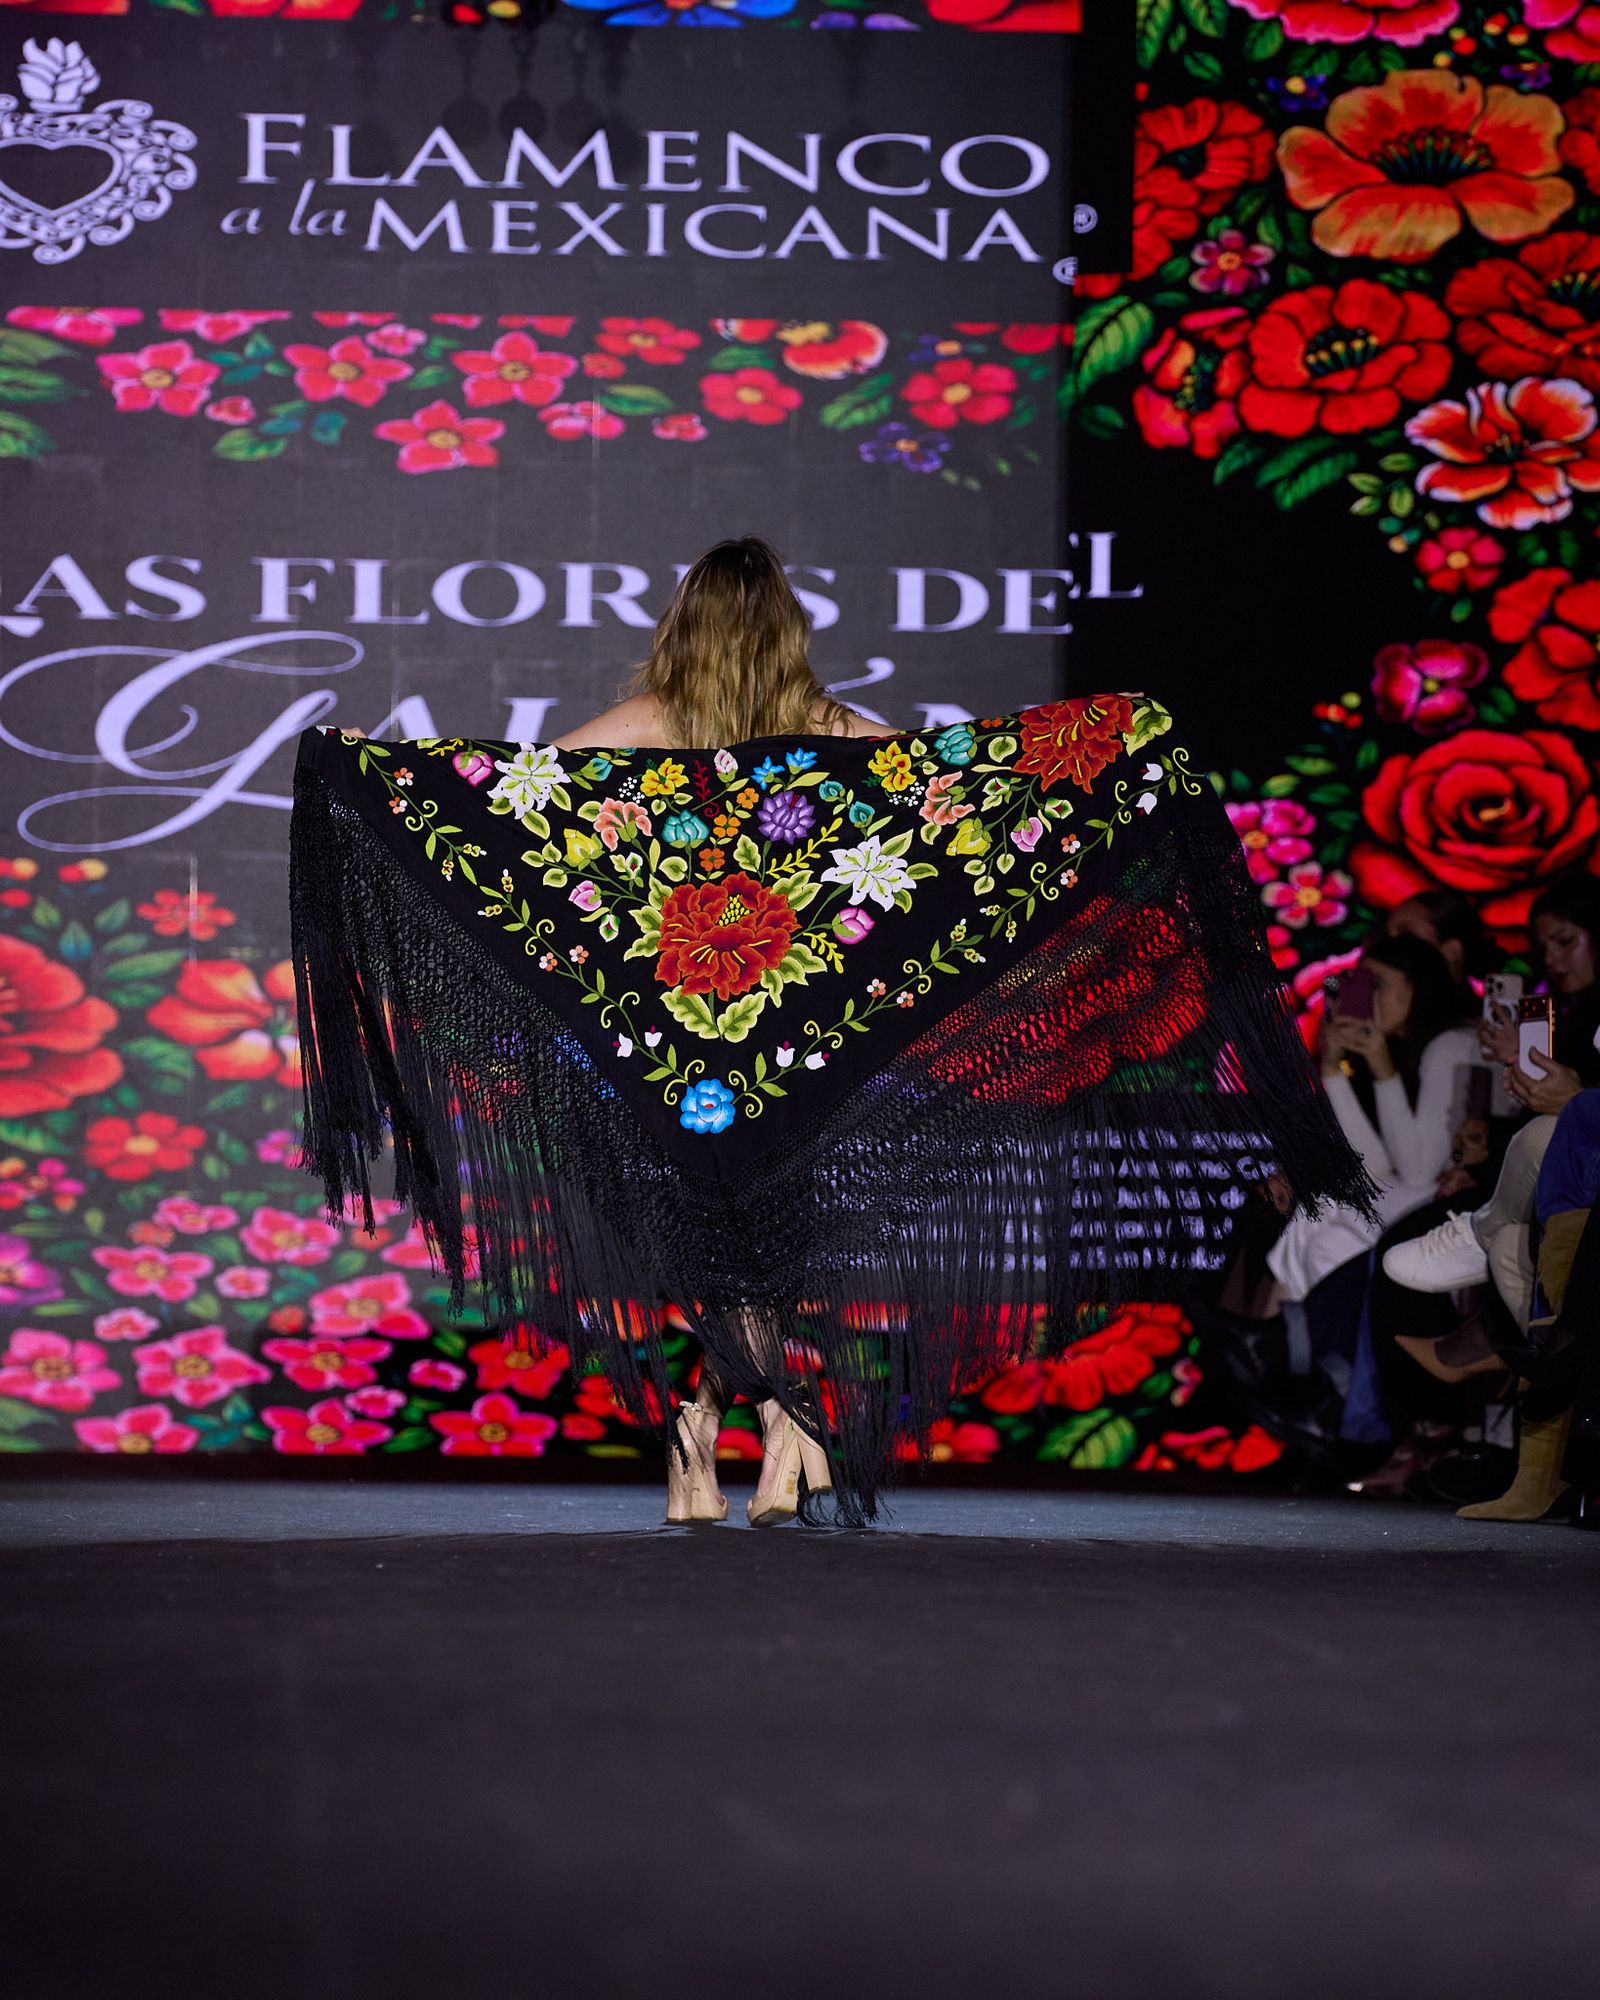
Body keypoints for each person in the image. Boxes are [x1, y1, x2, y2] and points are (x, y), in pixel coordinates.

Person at [549, 536, 897, 1529]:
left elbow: (505, 790)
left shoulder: (646, 721)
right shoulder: (826, 724)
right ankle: (784, 1420)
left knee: (729, 1242)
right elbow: (951, 786)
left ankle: (703, 1430)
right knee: (760, 1241)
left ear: (681, 625)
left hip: (680, 1036)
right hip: (794, 1031)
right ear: (786, 629)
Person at [1381, 874, 1600, 1321]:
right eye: (1544, 948)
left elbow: (1417, 1166)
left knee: (1537, 1142)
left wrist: (1567, 1093)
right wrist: (1486, 1149)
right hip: (1542, 1176)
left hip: (1565, 1176)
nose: (1553, 960)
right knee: (1504, 1248)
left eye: (1566, 941)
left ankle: (1479, 1237)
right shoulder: (1570, 1018)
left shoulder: (1452, 1044)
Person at [1262, 932, 1478, 1309]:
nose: (1367, 996)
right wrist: (1332, 1069)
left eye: (1378, 984)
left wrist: (1382, 1068)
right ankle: (1277, 1343)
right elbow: (1373, 1165)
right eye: (1360, 983)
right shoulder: (1399, 1050)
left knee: (1325, 1214)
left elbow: (1417, 1172)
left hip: (1453, 1205)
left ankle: (1271, 1342)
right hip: (1415, 1202)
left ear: (1419, 986)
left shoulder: (1452, 1046)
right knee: (1325, 1226)